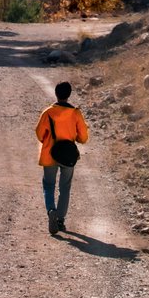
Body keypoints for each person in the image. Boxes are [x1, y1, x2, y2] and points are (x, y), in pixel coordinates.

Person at [35, 80, 89, 235]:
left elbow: (39, 133)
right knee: (65, 187)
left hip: (49, 154)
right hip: (68, 155)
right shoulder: (75, 113)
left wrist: (48, 141)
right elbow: (83, 137)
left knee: (49, 185)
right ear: (69, 94)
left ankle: (51, 209)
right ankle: (60, 220)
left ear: (56, 94)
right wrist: (76, 138)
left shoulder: (48, 113)